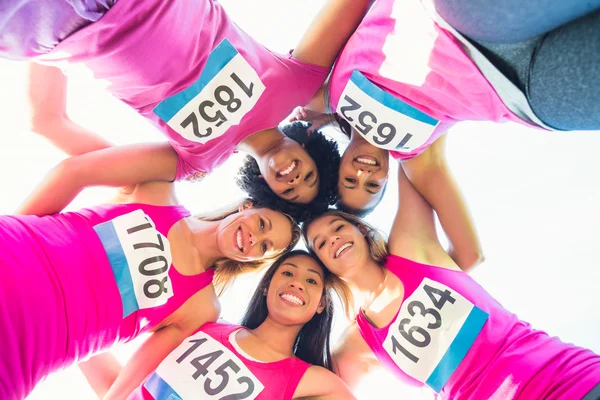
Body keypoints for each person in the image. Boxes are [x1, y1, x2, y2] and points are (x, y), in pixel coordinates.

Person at [8, 0, 372, 220]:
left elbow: (77, 170)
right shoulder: (297, 83)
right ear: (309, 151)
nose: (294, 178)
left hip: (56, 29)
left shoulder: (195, 161)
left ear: (265, 189)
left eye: (291, 191)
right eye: (308, 176)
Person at [0, 140, 301, 399]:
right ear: (248, 206)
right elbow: (72, 171)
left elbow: (122, 389)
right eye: (263, 225)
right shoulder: (158, 189)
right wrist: (15, 234)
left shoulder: (201, 307)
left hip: (29, 348)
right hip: (16, 254)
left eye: (264, 247)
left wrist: (72, 341)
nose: (254, 239)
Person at [302, 165, 600, 399]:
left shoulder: (409, 248)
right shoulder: (358, 342)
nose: (334, 239)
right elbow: (301, 387)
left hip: (567, 379)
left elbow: (413, 157)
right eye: (320, 243)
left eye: (338, 226)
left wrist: (350, 133)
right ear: (323, 266)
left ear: (361, 231)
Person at [76, 250, 356, 399]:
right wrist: (72, 330)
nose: (296, 282)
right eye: (287, 272)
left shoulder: (311, 382)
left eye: (311, 281)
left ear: (321, 304)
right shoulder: (206, 326)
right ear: (266, 286)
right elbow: (125, 386)